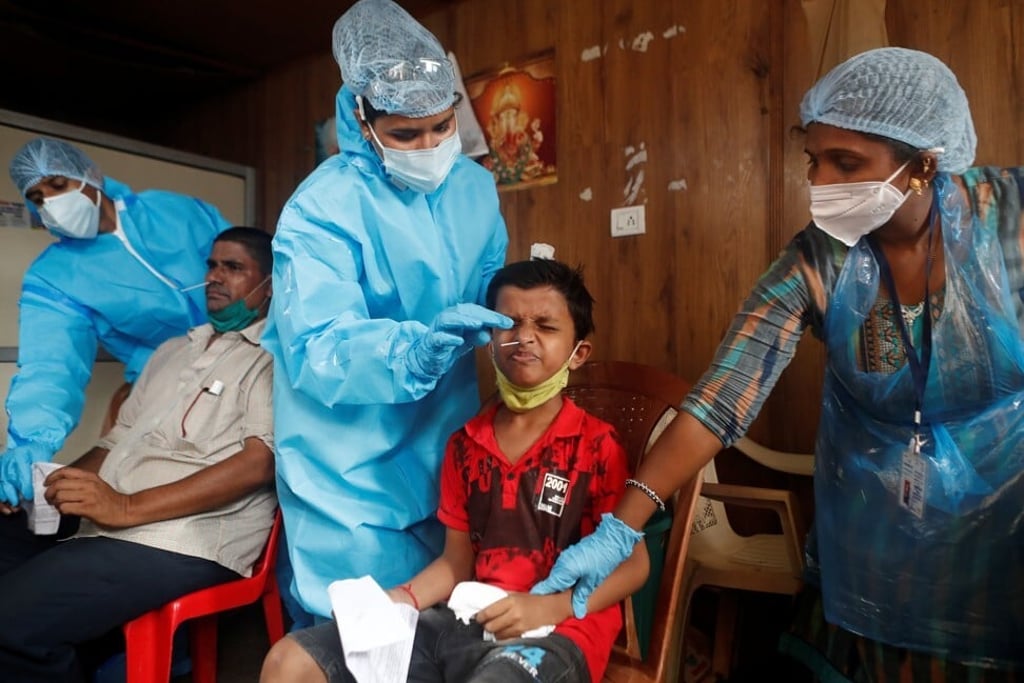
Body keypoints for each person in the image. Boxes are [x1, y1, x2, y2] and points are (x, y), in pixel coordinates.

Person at [532, 47, 1024, 678]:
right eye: (814, 160)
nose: (820, 183)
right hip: (871, 545)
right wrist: (621, 528)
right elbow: (720, 399)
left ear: (923, 164)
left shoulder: (1006, 222)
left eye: (846, 163)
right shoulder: (818, 262)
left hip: (1000, 542)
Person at [260, 258, 648, 683]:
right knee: (289, 661)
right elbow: (456, 562)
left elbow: (634, 566)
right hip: (468, 617)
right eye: (509, 324)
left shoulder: (596, 446)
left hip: (559, 630)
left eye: (546, 326)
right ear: (489, 339)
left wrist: (549, 606)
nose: (524, 338)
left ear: (579, 353)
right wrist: (400, 599)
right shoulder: (465, 445)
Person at [261, 0, 510, 628]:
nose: (428, 147)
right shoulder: (321, 209)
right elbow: (320, 346)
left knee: (441, 618)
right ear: (360, 118)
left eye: (441, 127)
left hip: (443, 436)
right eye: (404, 134)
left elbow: (486, 285)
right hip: (347, 461)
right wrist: (415, 349)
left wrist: (519, 300)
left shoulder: (474, 188)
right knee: (353, 632)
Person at [0, 226, 276, 681]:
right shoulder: (173, 351)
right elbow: (117, 441)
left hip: (184, 536)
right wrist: (51, 486)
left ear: (269, 285)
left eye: (233, 268)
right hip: (116, 519)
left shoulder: (273, 358)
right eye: (211, 265)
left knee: (11, 622)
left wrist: (124, 506)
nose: (214, 277)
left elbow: (258, 462)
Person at [0, 137, 232, 507]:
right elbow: (50, 366)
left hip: (253, 358)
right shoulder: (54, 276)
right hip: (163, 386)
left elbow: (256, 268)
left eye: (58, 186)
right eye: (39, 198)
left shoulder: (177, 212)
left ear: (91, 175)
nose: (52, 204)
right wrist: (30, 443)